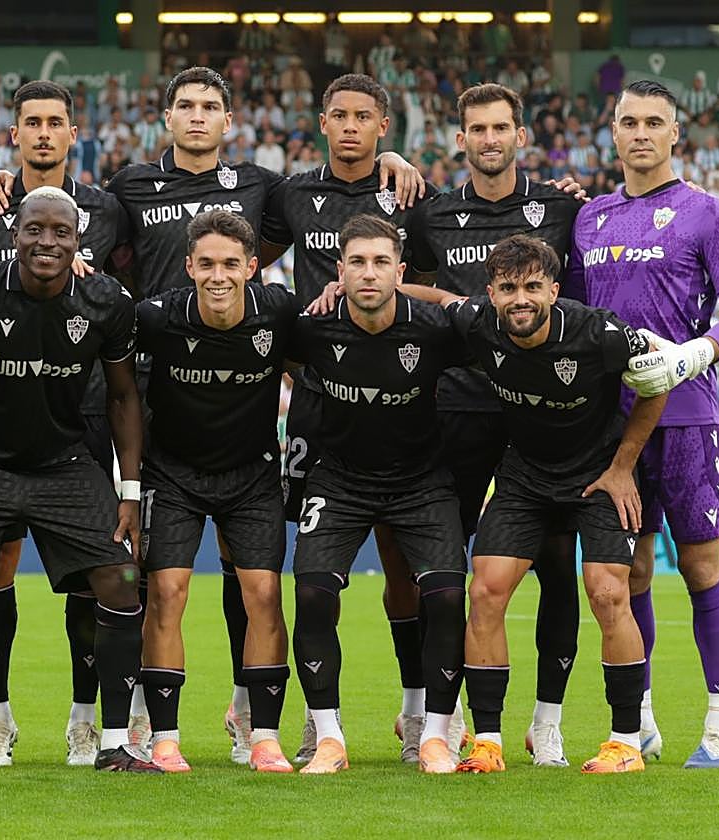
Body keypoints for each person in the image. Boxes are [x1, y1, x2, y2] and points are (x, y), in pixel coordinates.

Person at [0, 65, 425, 763]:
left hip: (240, 399)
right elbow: (78, 243)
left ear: (229, 120)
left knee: (254, 574)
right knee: (149, 573)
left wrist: (386, 165)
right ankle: (142, 720)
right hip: (146, 392)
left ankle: (250, 711)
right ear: (167, 118)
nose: (197, 116)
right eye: (184, 105)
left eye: (210, 106)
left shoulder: (262, 188)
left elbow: (316, 208)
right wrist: (1, 180)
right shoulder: (127, 187)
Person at [0, 186, 159, 775]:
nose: (47, 242)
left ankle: (117, 741)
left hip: (65, 464)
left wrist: (129, 489)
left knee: (121, 580)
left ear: (79, 240)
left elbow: (124, 395)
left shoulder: (107, 301)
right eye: (34, 230)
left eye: (61, 232)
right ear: (13, 234)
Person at [379, 82, 587, 765]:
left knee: (556, 566)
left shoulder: (560, 206)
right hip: (460, 407)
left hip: (540, 415)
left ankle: (547, 720)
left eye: (501, 127)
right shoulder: (433, 213)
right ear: (461, 139)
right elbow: (394, 279)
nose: (490, 139)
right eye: (477, 129)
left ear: (521, 136)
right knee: (438, 567)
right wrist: (452, 301)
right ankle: (433, 712)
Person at [565, 79, 719, 768]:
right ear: (612, 132)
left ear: (675, 133)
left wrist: (692, 354)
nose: (641, 132)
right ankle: (640, 719)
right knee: (633, 571)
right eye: (629, 121)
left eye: (655, 122)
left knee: (703, 566)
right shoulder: (587, 218)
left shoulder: (707, 213)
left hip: (684, 419)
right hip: (609, 428)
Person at [0, 79, 131, 767]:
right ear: (14, 134)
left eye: (56, 122)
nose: (45, 133)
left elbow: (121, 301)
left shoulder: (109, 210)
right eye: (32, 123)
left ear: (72, 133)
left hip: (79, 415)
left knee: (92, 577)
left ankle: (87, 720)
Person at [259, 73, 442, 764]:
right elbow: (252, 269)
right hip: (317, 403)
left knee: (402, 559)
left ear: (384, 126)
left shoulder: (408, 196)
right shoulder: (293, 193)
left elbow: (436, 289)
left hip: (399, 398)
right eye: (339, 115)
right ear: (322, 122)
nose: (351, 127)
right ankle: (287, 710)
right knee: (299, 560)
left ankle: (417, 710)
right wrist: (295, 356)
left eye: (364, 116)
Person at [438, 234, 665, 775]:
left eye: (533, 287)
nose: (521, 299)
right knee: (485, 590)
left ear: (554, 290)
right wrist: (375, 285)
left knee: (610, 593)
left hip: (597, 479)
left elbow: (657, 378)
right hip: (524, 479)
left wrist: (624, 465)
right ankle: (487, 742)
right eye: (509, 288)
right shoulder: (478, 325)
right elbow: (440, 300)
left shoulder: (598, 331)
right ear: (491, 293)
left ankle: (624, 743)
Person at [286, 215, 468, 775]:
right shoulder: (312, 327)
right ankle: (329, 737)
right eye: (357, 263)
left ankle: (435, 735)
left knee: (444, 599)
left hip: (421, 480)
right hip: (338, 479)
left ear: (399, 271)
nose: (369, 273)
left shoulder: (435, 329)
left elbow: (498, 337)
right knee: (313, 594)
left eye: (381, 262)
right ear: (338, 272)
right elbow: (268, 352)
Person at [136, 210, 296, 773]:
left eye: (231, 263)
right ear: (189, 267)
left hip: (251, 476)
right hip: (172, 474)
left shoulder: (279, 313)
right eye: (206, 264)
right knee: (167, 594)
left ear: (253, 267)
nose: (219, 275)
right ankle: (164, 737)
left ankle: (265, 736)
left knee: (264, 595)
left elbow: (316, 367)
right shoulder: (156, 318)